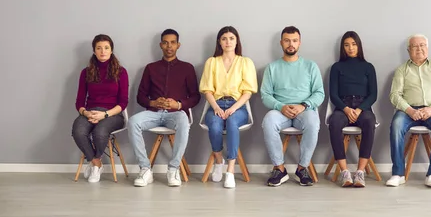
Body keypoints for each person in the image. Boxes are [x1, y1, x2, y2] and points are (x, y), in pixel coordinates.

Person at [128, 29, 201, 187]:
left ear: (178, 45)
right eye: (166, 42)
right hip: (153, 113)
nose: (169, 46)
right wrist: (153, 103)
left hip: (176, 114)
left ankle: (173, 169)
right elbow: (140, 97)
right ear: (161, 45)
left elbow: (196, 96)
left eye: (173, 42)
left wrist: (179, 104)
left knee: (183, 120)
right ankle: (145, 169)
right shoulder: (150, 68)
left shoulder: (187, 68)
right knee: (133, 121)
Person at [387, 34, 431, 188]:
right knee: (396, 126)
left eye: (422, 45)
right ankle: (398, 174)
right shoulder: (401, 70)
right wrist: (409, 110)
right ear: (409, 50)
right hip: (408, 110)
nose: (419, 49)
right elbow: (394, 95)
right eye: (415, 46)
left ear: (427, 48)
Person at [261, 26, 325, 187]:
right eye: (287, 40)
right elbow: (265, 95)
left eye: (294, 41)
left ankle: (302, 168)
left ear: (299, 43)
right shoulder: (272, 67)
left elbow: (319, 93)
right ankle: (279, 169)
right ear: (281, 43)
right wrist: (281, 106)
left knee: (313, 122)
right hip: (280, 111)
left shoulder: (311, 66)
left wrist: (303, 106)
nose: (291, 44)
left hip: (304, 111)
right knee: (268, 121)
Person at [199, 26, 258, 189]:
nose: (228, 42)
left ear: (237, 40)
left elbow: (248, 92)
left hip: (238, 106)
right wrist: (216, 107)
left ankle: (230, 171)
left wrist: (233, 108)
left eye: (231, 38)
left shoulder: (245, 62)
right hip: (216, 104)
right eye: (224, 38)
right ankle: (219, 161)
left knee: (232, 123)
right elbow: (207, 90)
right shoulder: (211, 62)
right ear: (219, 41)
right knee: (215, 126)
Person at [72, 34, 129, 183]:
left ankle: (94, 164)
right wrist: (86, 112)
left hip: (113, 114)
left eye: (106, 48)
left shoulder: (121, 72)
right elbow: (79, 101)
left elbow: (123, 102)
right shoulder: (86, 72)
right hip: (90, 112)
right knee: (78, 131)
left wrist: (104, 115)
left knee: (99, 133)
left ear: (111, 50)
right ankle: (96, 163)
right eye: (99, 48)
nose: (103, 51)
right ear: (94, 51)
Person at [328, 31, 377, 188]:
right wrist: (346, 109)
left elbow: (373, 94)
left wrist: (360, 109)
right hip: (343, 106)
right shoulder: (336, 67)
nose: (350, 48)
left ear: (359, 46)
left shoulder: (368, 67)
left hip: (363, 107)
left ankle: (360, 172)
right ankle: (344, 172)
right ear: (342, 48)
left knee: (369, 121)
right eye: (347, 45)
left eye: (354, 44)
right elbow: (333, 94)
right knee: (334, 122)